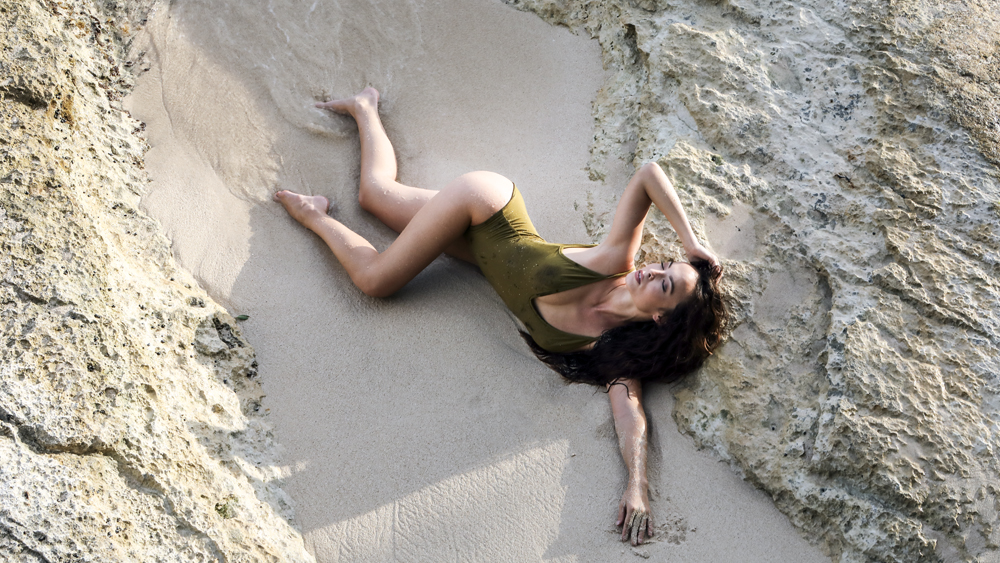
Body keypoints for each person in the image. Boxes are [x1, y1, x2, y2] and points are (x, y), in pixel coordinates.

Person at [274, 87, 727, 546]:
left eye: (664, 285)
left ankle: (364, 105)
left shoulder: (611, 353)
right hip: (487, 207)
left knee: (373, 194)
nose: (652, 271)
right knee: (376, 281)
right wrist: (691, 245)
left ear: (661, 319)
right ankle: (313, 214)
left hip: (484, 256)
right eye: (663, 265)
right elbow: (649, 175)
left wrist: (637, 485)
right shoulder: (615, 260)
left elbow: (631, 418)